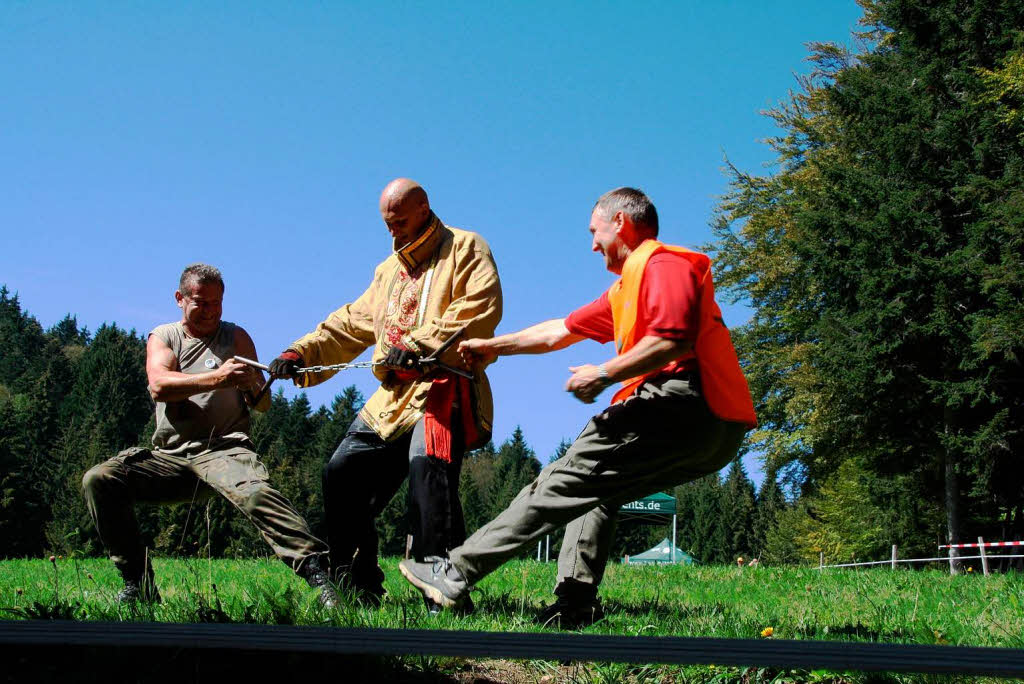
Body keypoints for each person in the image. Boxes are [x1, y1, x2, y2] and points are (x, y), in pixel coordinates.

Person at [399, 187, 757, 627]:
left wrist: (605, 372)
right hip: (718, 431)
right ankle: (575, 603)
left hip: (679, 402)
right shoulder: (627, 289)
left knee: (559, 482)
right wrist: (491, 346)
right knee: (597, 491)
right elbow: (558, 331)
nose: (592, 244)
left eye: (595, 231)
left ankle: (454, 573)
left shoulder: (663, 263)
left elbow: (672, 339)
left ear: (620, 222)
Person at [269, 178, 502, 606]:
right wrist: (300, 353)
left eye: (399, 222)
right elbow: (350, 323)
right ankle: (355, 585)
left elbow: (479, 310)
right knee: (340, 472)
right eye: (387, 225)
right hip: (390, 400)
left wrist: (416, 346)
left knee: (426, 472)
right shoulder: (387, 271)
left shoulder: (467, 248)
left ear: (423, 207)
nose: (393, 233)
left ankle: (444, 596)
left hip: (442, 389)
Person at [82, 264, 336, 606]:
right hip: (169, 458)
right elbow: (159, 385)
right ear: (180, 298)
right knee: (100, 479)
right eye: (201, 302)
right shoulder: (165, 336)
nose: (210, 311)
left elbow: (261, 405)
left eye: (216, 303)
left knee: (259, 496)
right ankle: (137, 586)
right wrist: (218, 379)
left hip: (225, 451)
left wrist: (251, 383)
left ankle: (322, 578)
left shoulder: (236, 337)